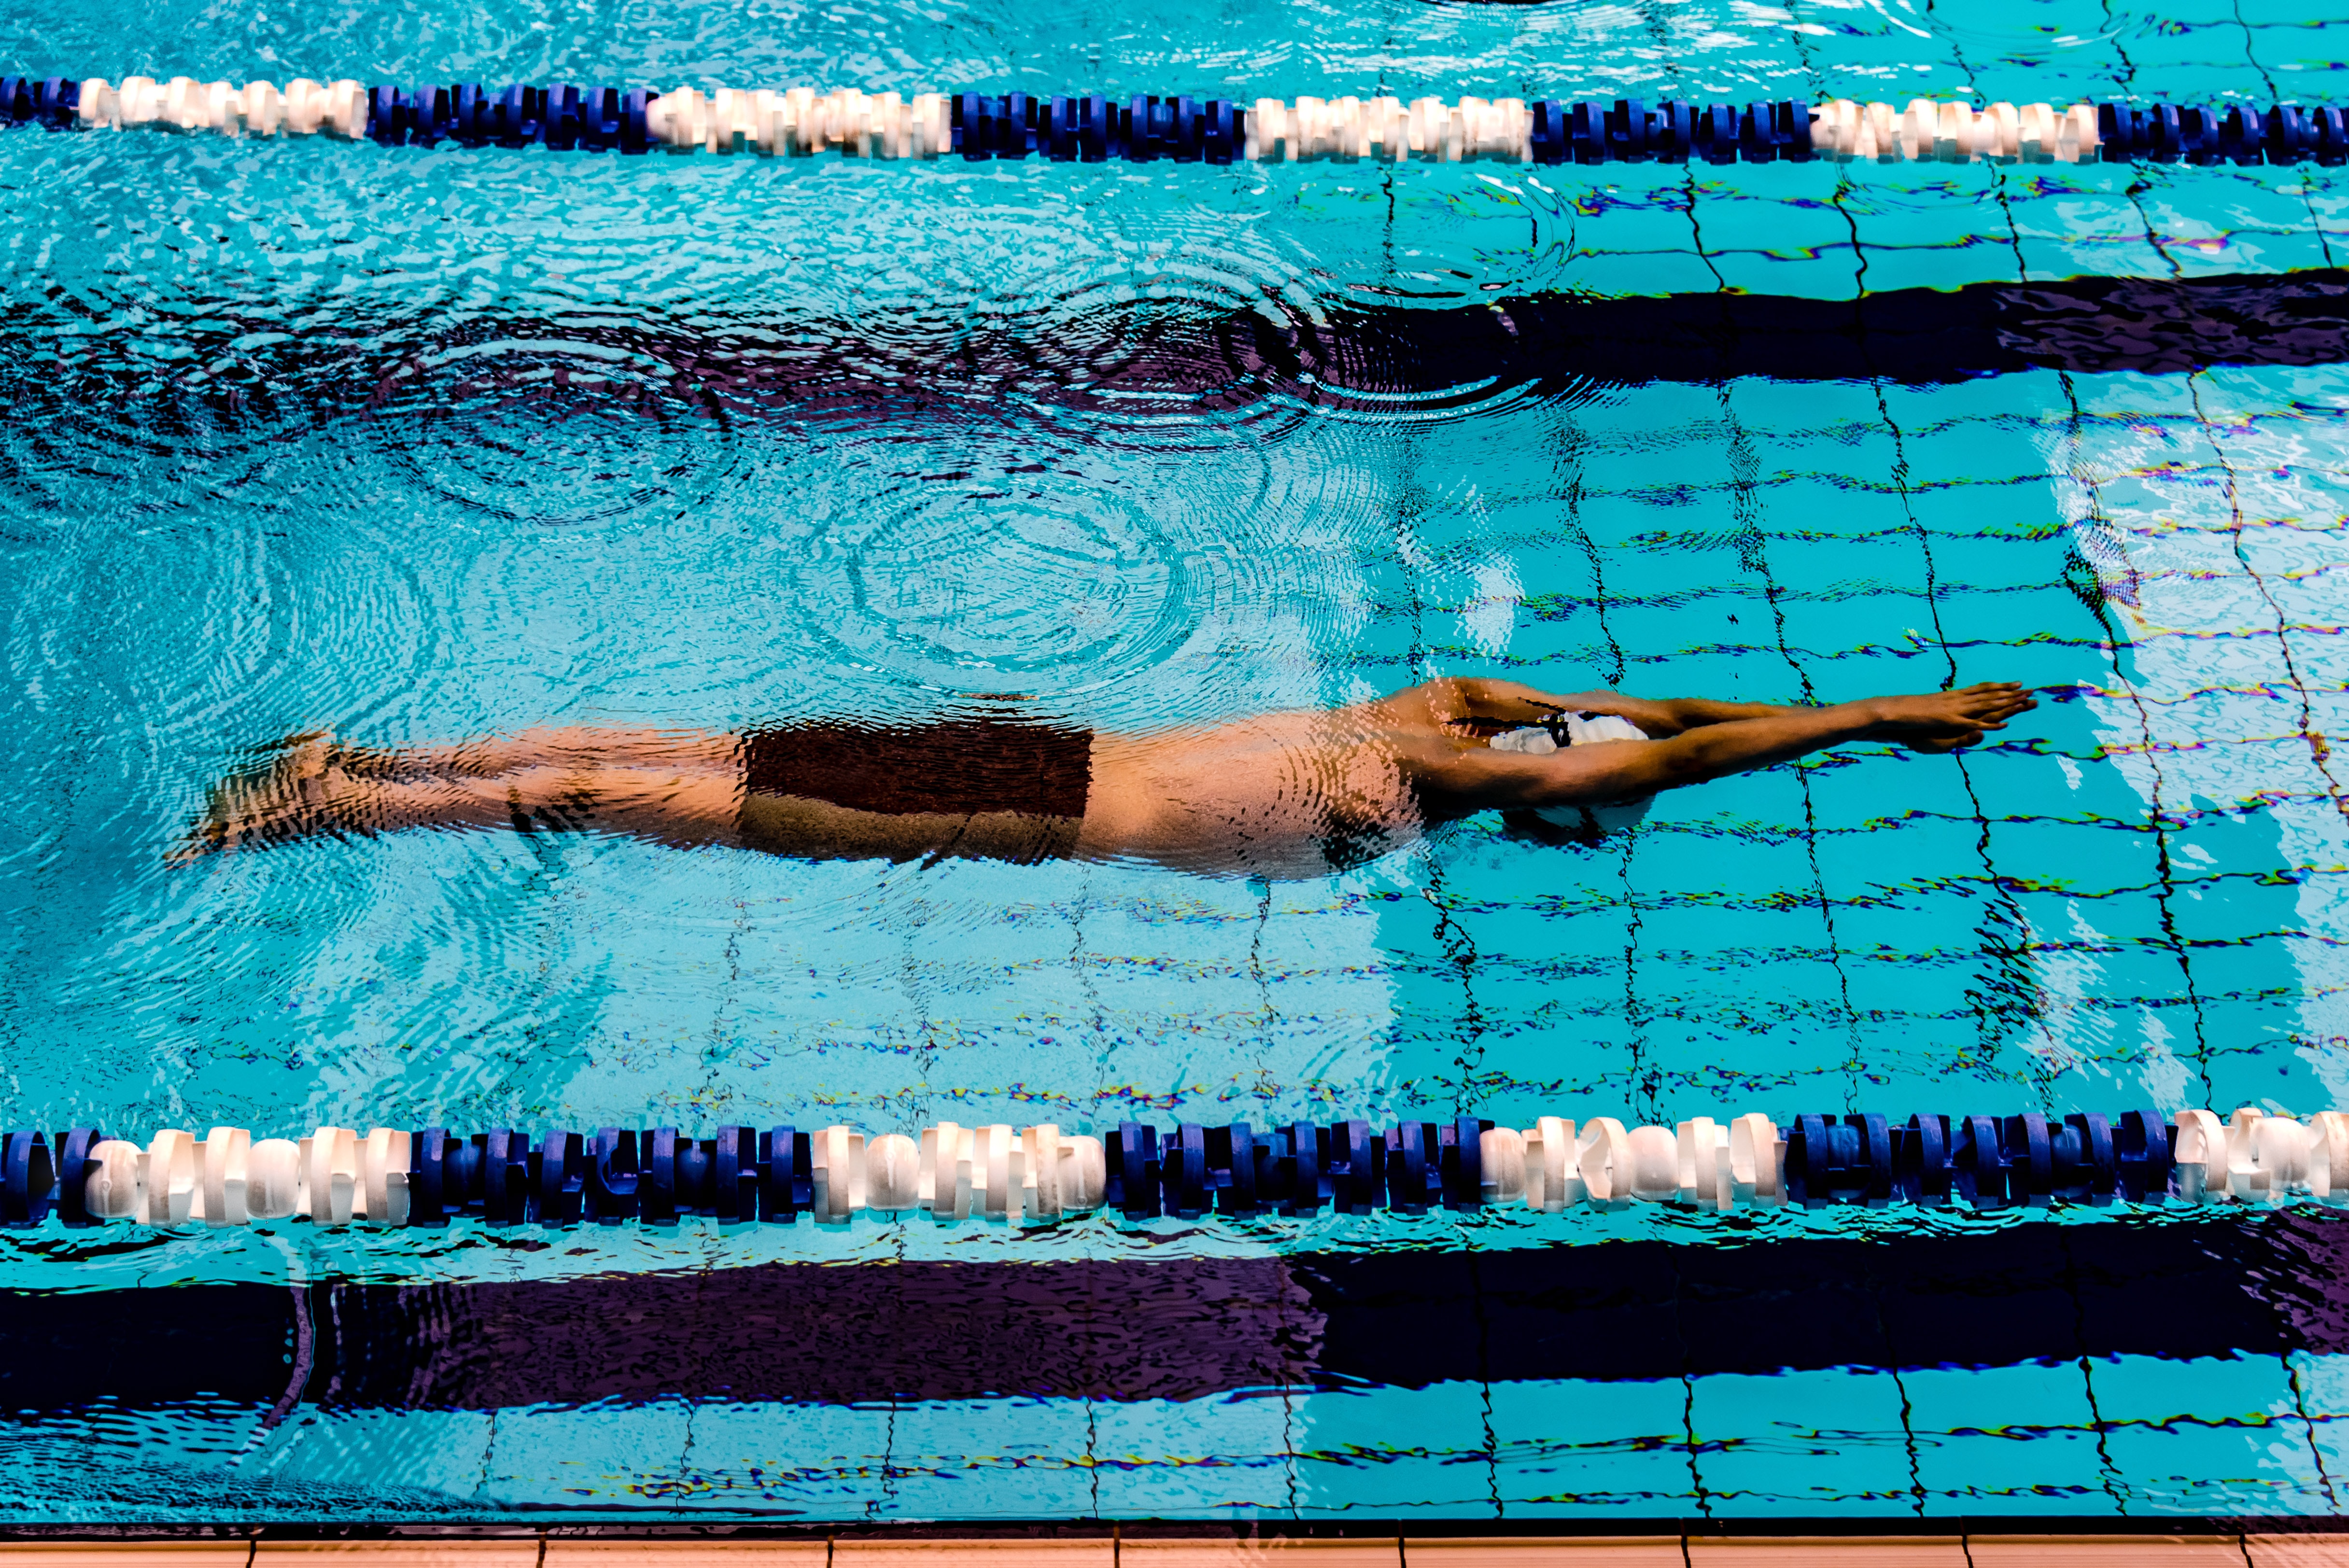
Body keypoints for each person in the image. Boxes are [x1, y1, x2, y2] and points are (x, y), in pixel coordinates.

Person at [183, 679, 2036, 879]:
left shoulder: (1429, 708)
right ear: (1539, 798)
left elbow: (1645, 721)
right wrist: (1879, 721)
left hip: (1028, 741)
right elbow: (1685, 755)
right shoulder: (1424, 794)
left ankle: (355, 762)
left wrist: (1871, 704)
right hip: (1023, 808)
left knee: (681, 753)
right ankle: (331, 806)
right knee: (657, 800)